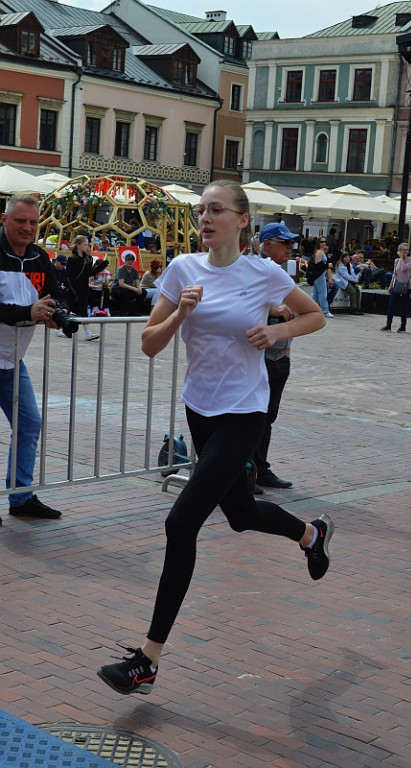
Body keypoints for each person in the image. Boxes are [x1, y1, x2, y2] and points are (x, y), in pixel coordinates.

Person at [96, 180, 333, 695]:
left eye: (216, 210)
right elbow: (148, 345)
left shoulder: (263, 272)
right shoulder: (182, 269)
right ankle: (312, 536)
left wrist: (277, 332)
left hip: (245, 413)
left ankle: (148, 661)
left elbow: (315, 314)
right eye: (201, 210)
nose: (205, 218)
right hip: (200, 410)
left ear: (241, 220)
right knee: (242, 515)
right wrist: (180, 313)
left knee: (181, 523)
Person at [0, 194, 64, 523]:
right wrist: (29, 312)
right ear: (4, 220)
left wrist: (56, 314)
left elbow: (55, 293)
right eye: (20, 221)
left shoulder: (40, 256)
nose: (28, 228)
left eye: (34, 222)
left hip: (12, 363)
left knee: (29, 424)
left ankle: (20, 497)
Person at [253, 222, 300, 491]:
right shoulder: (254, 269)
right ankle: (246, 470)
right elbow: (246, 301)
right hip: (258, 356)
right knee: (253, 417)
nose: (290, 248)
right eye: (285, 243)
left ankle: (260, 467)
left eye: (292, 244)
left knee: (267, 417)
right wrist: (274, 308)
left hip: (279, 356)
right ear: (266, 244)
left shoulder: (281, 272)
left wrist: (286, 354)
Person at [66, 235, 109, 340]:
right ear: (78, 245)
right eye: (85, 244)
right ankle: (62, 328)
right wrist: (74, 289)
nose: (87, 247)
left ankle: (87, 332)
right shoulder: (72, 259)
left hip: (84, 287)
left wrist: (102, 266)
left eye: (88, 244)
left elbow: (89, 273)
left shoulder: (88, 258)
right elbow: (69, 277)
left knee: (84, 310)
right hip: (72, 288)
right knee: (67, 309)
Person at [381, 242, 411, 332]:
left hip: (406, 286)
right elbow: (395, 274)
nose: (405, 252)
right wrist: (390, 285)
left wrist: (402, 259)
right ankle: (388, 324)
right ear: (399, 251)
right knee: (391, 305)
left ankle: (403, 326)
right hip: (396, 284)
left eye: (407, 250)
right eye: (403, 250)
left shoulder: (410, 260)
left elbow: (404, 269)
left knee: (403, 307)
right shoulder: (396, 261)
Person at [310, 238, 334, 318]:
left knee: (316, 293)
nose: (323, 243)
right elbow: (318, 264)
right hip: (319, 274)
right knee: (322, 292)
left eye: (325, 242)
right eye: (321, 242)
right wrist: (327, 265)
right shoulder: (319, 252)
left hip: (320, 274)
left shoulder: (321, 251)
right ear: (318, 243)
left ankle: (311, 309)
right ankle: (325, 311)